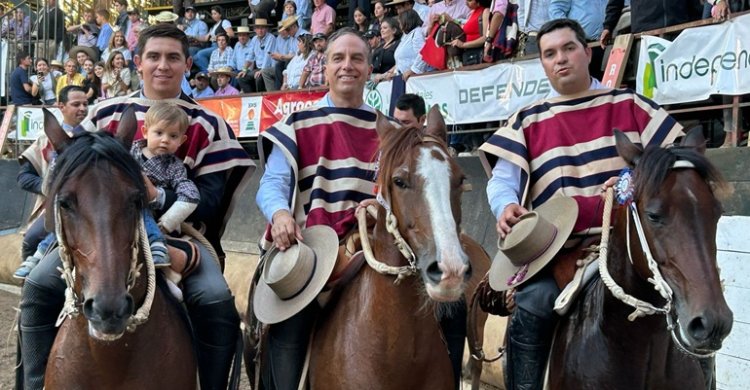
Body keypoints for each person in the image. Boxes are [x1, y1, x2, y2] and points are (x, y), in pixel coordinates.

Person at [18, 23, 254, 390]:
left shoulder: (210, 124)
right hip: (99, 234)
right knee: (37, 286)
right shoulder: (104, 113)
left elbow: (211, 200)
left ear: (187, 63)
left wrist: (157, 198)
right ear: (138, 62)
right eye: (154, 57)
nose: (163, 65)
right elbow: (64, 173)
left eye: (173, 57)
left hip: (179, 237)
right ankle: (33, 384)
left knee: (215, 299)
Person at [479, 19, 684, 390]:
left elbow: (673, 164)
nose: (561, 59)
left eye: (569, 48)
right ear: (541, 63)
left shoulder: (629, 104)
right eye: (549, 54)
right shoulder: (527, 118)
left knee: (687, 299)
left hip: (631, 248)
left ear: (587, 52)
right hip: (559, 250)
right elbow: (502, 182)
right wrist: (504, 206)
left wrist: (630, 182)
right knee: (533, 303)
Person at [257, 28, 380, 390]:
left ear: (370, 69)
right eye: (338, 59)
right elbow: (273, 183)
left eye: (357, 58)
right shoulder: (296, 124)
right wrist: (280, 214)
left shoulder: (387, 128)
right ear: (324, 69)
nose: (348, 66)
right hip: (307, 248)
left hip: (369, 249)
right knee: (290, 325)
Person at [15, 85, 89, 280]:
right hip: (54, 205)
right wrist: (49, 187)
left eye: (85, 104)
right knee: (31, 239)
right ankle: (28, 290)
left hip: (89, 206)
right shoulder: (43, 140)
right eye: (76, 104)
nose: (82, 108)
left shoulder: (94, 137)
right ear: (61, 106)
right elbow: (24, 177)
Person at [132, 102, 202, 282]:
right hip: (120, 213)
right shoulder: (128, 154)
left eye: (173, 136)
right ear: (145, 131)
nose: (165, 140)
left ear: (182, 140)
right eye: (159, 133)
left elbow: (190, 194)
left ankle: (158, 247)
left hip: (153, 216)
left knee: (141, 209)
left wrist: (167, 222)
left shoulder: (175, 167)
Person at [549, 0, 607, 79]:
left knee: (606, 83)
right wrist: (570, 31)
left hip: (608, 44)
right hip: (580, 45)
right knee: (581, 83)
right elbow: (555, 10)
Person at [449, 0, 491, 67]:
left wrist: (463, 44)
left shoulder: (485, 11)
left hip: (477, 54)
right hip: (468, 53)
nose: (466, 2)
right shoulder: (473, 12)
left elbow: (485, 38)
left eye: (470, 0)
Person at [193, 6, 235, 72]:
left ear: (220, 14)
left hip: (220, 46)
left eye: (215, 13)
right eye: (212, 14)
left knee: (200, 54)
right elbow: (205, 38)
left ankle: (207, 73)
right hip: (213, 45)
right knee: (195, 57)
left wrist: (218, 37)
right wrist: (193, 37)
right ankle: (208, 71)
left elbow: (231, 34)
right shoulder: (213, 26)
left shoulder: (224, 22)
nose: (213, 15)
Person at [391, 10, 430, 80]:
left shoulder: (417, 33)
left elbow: (423, 53)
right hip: (402, 77)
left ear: (407, 21)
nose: (399, 24)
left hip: (414, 79)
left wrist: (412, 70)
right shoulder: (406, 35)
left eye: (400, 21)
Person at [244, 19, 277, 93]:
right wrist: (244, 69)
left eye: (262, 28)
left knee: (259, 78)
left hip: (269, 67)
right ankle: (250, 98)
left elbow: (267, 56)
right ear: (255, 29)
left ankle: (260, 99)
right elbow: (250, 55)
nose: (260, 30)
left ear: (266, 29)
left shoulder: (271, 38)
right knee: (242, 78)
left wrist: (262, 70)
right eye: (258, 28)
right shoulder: (254, 39)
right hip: (259, 68)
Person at [371, 17, 400, 82]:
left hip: (392, 80)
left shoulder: (399, 44)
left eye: (385, 28)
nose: (381, 30)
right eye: (381, 28)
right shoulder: (379, 47)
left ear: (394, 30)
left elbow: (401, 63)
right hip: (377, 82)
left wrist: (383, 75)